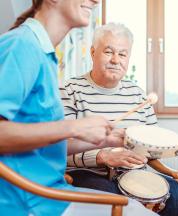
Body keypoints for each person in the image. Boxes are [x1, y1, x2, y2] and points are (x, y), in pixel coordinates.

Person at [0, 0, 157, 215]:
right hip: (30, 204)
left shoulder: (42, 53)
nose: (94, 0)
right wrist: (73, 127)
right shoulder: (21, 45)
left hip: (51, 197)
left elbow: (40, 144)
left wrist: (102, 140)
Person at [60, 23, 178, 216]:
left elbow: (152, 143)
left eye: (122, 54)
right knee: (116, 200)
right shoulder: (69, 90)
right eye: (108, 52)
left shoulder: (137, 94)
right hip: (88, 174)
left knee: (176, 194)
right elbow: (60, 147)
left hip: (134, 173)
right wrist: (103, 156)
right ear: (93, 53)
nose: (115, 60)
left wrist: (167, 148)